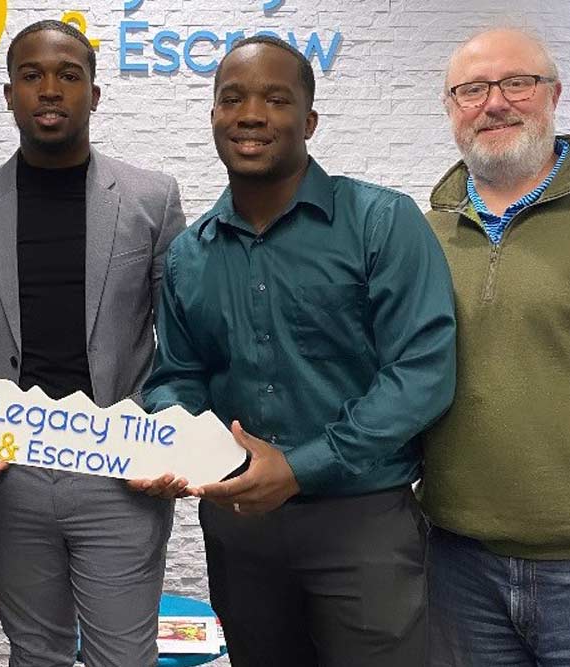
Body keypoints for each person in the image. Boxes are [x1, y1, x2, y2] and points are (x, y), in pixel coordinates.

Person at [142, 36, 456, 666]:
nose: (251, 114)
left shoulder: (380, 222)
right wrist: (175, 437)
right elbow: (177, 375)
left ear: (308, 121)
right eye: (232, 99)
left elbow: (421, 372)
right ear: (213, 117)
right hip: (240, 528)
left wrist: (300, 465)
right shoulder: (188, 255)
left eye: (275, 99)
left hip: (363, 522)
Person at [0, 19, 186, 667]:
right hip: (9, 473)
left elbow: (181, 336)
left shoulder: (151, 197)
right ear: (9, 94)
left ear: (94, 95)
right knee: (37, 653)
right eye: (32, 75)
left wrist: (168, 438)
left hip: (118, 470)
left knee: (123, 658)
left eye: (68, 76)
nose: (50, 89)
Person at [421, 28, 570, 666]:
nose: (495, 103)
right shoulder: (422, 235)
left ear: (554, 94)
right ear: (453, 109)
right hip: (457, 567)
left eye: (517, 83)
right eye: (472, 90)